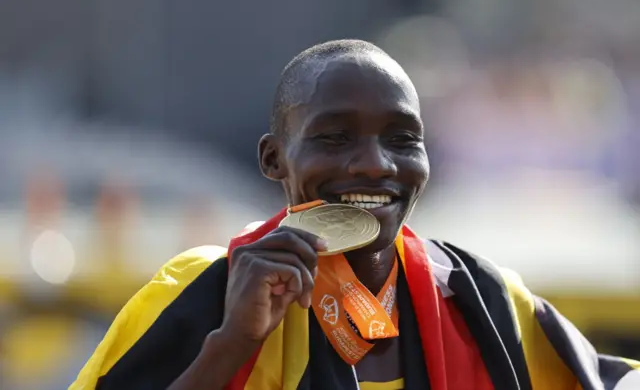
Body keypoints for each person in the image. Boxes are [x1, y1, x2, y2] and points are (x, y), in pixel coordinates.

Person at [70, 40, 639, 390]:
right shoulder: (203, 291)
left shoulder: (480, 300)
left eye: (401, 138)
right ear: (273, 158)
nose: (373, 165)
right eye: (335, 137)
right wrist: (230, 345)